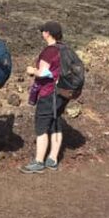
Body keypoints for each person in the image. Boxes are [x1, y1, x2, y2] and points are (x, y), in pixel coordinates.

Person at [21, 21, 68, 174]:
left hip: (49, 92)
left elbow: (43, 73)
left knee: (41, 126)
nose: (42, 33)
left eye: (43, 31)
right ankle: (52, 159)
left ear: (47, 33)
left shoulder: (49, 51)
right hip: (62, 93)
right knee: (56, 122)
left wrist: (31, 70)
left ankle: (39, 161)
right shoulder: (65, 49)